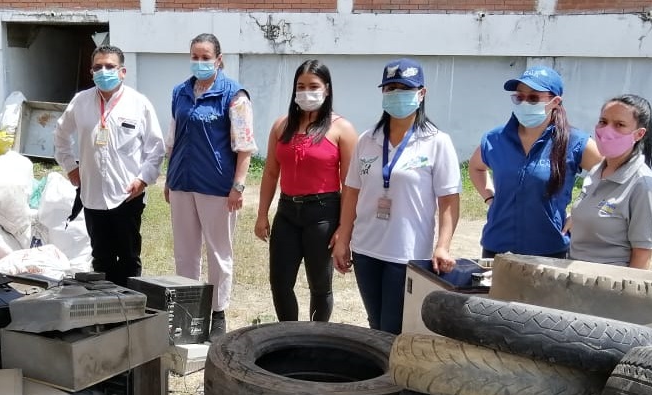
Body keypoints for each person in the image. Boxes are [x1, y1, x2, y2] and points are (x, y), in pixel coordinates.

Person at [331, 58, 460, 334]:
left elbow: (448, 201)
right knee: (375, 323)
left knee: (393, 327)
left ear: (421, 94)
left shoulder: (437, 142)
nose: (396, 95)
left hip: (407, 252)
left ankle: (392, 376)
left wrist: (443, 245)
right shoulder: (368, 139)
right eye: (390, 89)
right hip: (366, 248)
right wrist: (344, 237)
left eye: (404, 88)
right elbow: (352, 191)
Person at [165, 33, 257, 339]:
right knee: (185, 253)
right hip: (182, 182)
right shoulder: (180, 91)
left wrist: (238, 186)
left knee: (219, 254)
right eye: (195, 56)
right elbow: (173, 138)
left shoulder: (234, 94)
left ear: (219, 59)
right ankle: (187, 312)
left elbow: (244, 146)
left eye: (206, 57)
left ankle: (217, 314)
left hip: (217, 187)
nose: (200, 62)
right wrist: (169, 178)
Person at [254, 60, 357, 322]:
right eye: (301, 86)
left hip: (323, 213)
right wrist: (262, 214)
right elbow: (270, 173)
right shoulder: (281, 125)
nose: (306, 92)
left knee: (320, 286)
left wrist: (344, 228)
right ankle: (287, 335)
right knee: (280, 281)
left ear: (327, 89)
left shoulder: (341, 128)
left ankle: (315, 340)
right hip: (287, 211)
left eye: (313, 86)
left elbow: (351, 184)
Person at [53, 45, 165, 287]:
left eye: (110, 66)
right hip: (91, 195)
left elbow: (156, 148)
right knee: (100, 259)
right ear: (91, 71)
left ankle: (132, 310)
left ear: (122, 71)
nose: (104, 71)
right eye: (98, 67)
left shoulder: (139, 103)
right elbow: (61, 135)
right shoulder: (80, 102)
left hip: (127, 195)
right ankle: (106, 313)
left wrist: (143, 179)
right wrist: (71, 167)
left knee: (129, 259)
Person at [468, 66, 602, 258]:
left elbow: (612, 175)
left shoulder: (574, 142)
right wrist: (490, 198)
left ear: (555, 102)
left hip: (549, 249)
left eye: (533, 98)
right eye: (519, 97)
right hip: (497, 247)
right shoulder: (495, 139)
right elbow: (476, 167)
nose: (524, 103)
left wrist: (581, 212)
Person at [567, 95, 652, 269]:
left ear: (639, 134)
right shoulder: (596, 173)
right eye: (603, 122)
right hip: (575, 280)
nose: (607, 130)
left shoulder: (644, 187)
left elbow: (642, 257)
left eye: (619, 125)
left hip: (608, 287)